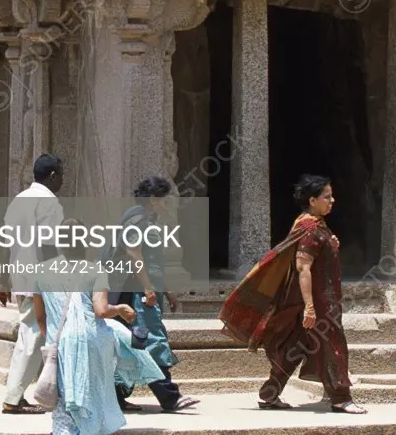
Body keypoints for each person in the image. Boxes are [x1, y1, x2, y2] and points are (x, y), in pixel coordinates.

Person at [219, 174, 366, 414]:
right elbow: (303, 267)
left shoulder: (312, 224)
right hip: (316, 302)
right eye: (326, 197)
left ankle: (269, 394)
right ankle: (340, 397)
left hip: (309, 301)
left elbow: (319, 253)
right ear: (312, 200)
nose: (332, 200)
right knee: (332, 344)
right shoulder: (310, 228)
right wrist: (310, 307)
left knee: (293, 347)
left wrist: (331, 242)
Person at [34, 223, 164, 435]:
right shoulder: (94, 270)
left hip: (59, 343)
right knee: (96, 397)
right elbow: (102, 310)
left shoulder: (41, 273)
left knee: (66, 400)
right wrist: (121, 309)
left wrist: (55, 342)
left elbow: (40, 317)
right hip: (92, 342)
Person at [110, 176, 199, 413]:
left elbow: (154, 261)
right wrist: (148, 288)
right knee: (152, 340)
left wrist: (167, 292)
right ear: (153, 198)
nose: (168, 203)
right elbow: (134, 254)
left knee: (133, 345)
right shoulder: (137, 219)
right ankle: (169, 397)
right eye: (164, 199)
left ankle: (116, 397)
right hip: (140, 293)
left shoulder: (147, 219)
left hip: (147, 289)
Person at [0, 154, 64, 415]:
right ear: (53, 176)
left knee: (31, 335)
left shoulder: (18, 200)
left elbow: (4, 243)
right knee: (31, 337)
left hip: (19, 277)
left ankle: (21, 395)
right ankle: (12, 399)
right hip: (38, 279)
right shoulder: (48, 201)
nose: (63, 182)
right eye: (61, 175)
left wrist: (2, 281)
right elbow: (49, 244)